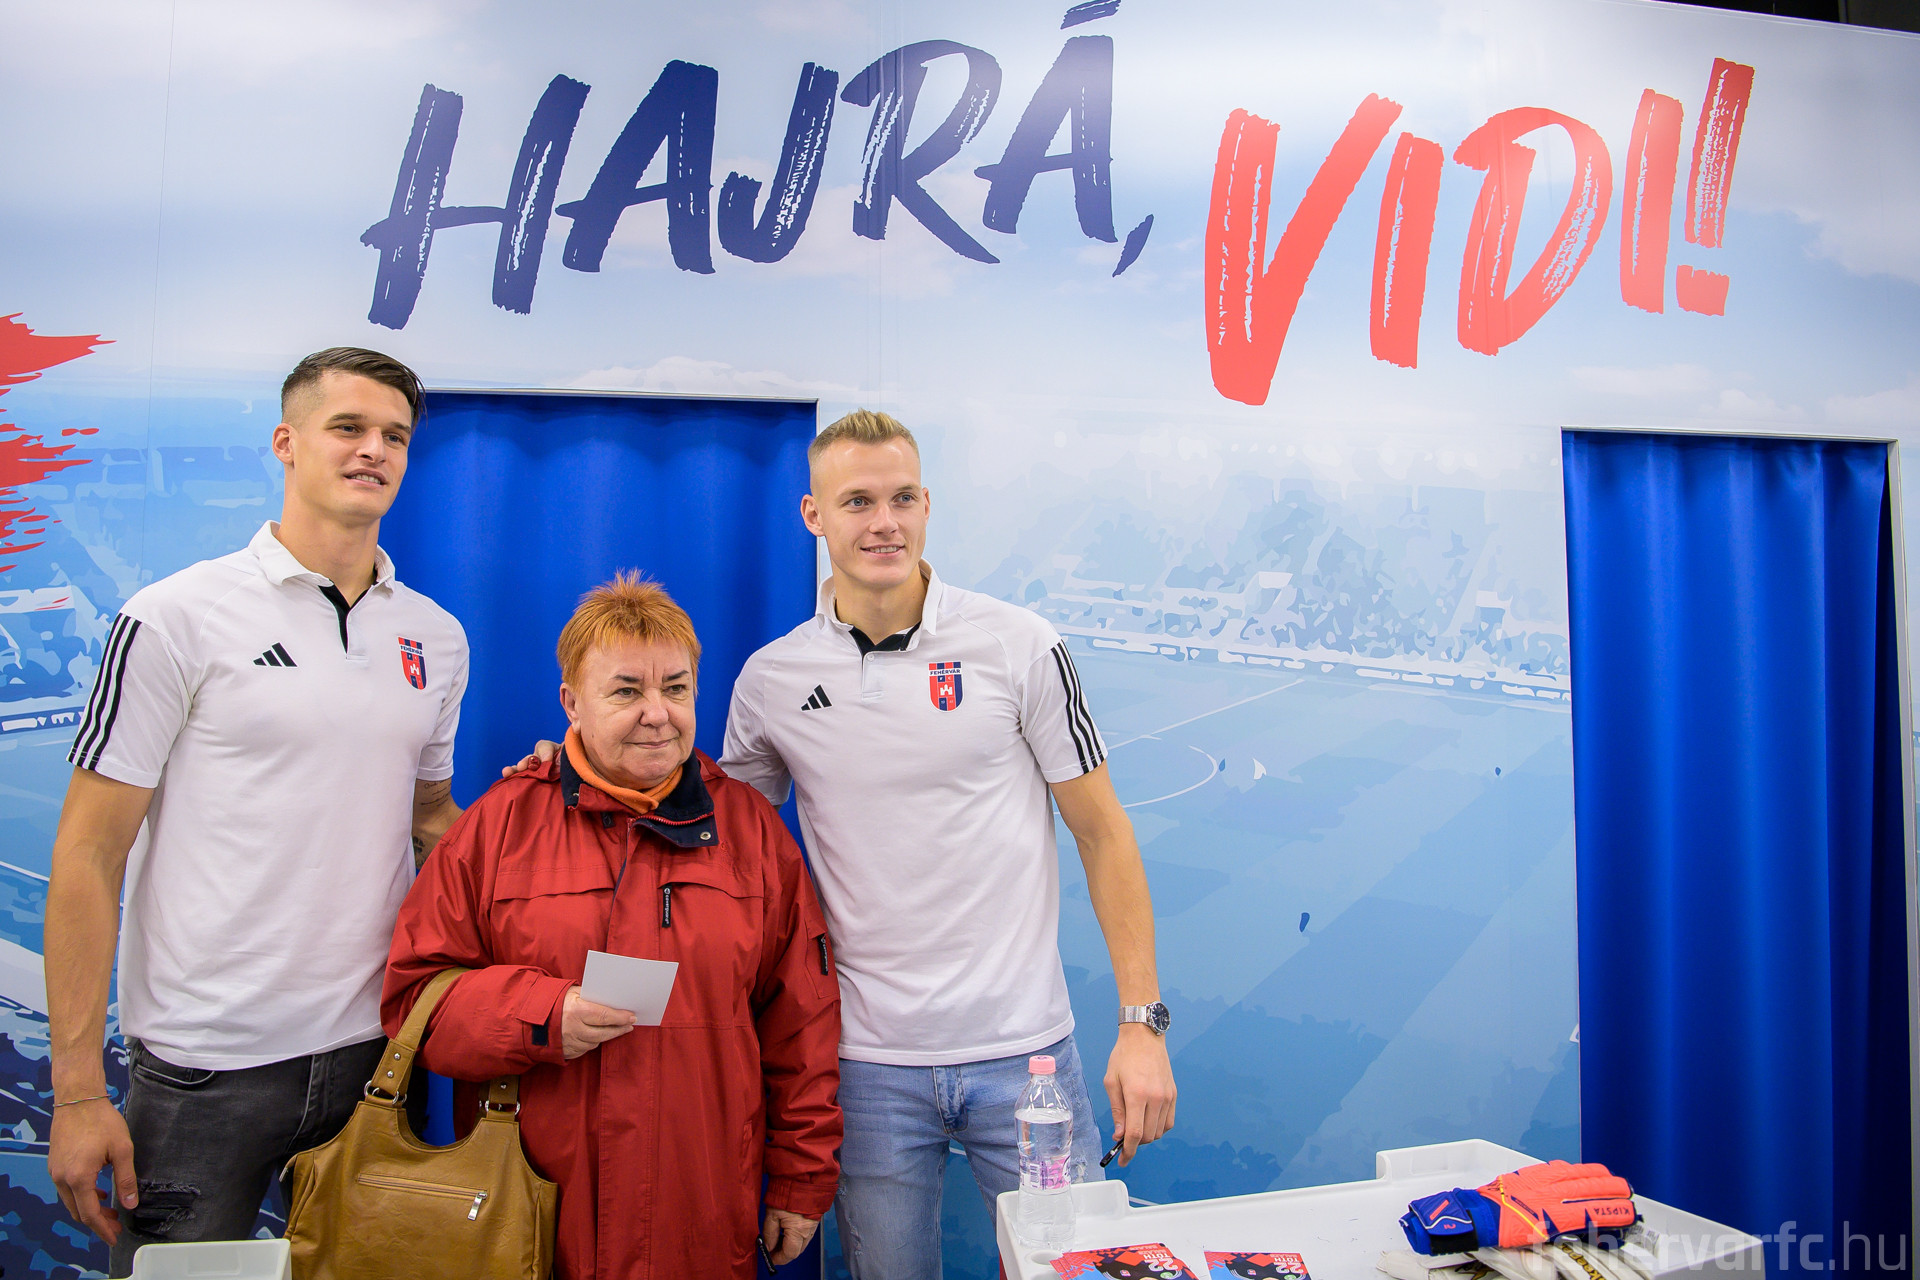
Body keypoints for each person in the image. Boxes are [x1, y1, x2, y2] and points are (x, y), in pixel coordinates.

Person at [517, 409, 1177, 1275]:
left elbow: (1104, 832)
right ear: (814, 515)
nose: (884, 523)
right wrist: (576, 761)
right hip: (865, 1068)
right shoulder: (773, 678)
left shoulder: (1019, 645)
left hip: (1026, 1059)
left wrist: (1141, 1025)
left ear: (928, 505)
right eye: (858, 501)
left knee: (1075, 1271)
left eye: (902, 498)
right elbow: (702, 829)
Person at [44, 348, 468, 1275]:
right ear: (286, 442)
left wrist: (559, 806)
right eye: (348, 427)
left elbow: (432, 817)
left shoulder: (435, 637)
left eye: (395, 435)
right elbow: (86, 855)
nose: (374, 450)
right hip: (204, 1071)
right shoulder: (175, 617)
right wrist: (75, 1091)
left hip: (375, 1058)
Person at [386, 574, 841, 1280]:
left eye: (676, 688)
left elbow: (801, 1024)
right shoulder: (498, 828)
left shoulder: (752, 834)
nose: (658, 714)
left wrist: (801, 1180)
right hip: (533, 1225)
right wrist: (538, 1015)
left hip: (699, 1221)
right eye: (626, 691)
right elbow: (415, 1000)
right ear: (572, 702)